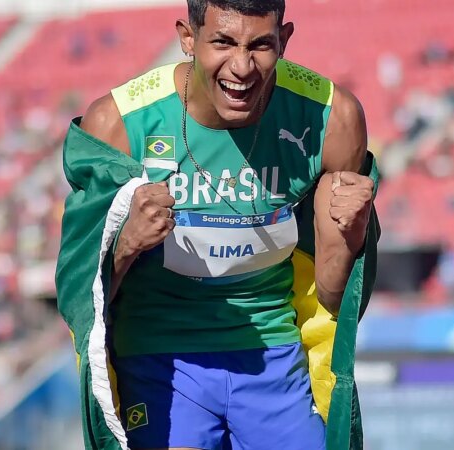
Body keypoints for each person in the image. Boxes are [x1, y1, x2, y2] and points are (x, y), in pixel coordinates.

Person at [56, 1, 380, 449]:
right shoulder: (118, 125)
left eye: (261, 45)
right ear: (188, 37)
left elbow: (332, 298)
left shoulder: (330, 118)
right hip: (159, 359)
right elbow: (80, 301)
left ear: (284, 40)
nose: (242, 68)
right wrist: (125, 243)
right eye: (223, 42)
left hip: (273, 358)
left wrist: (353, 233)